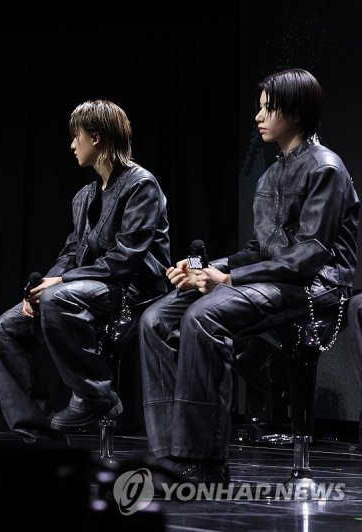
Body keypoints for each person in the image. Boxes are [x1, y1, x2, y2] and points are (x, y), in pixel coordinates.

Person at [139, 68, 358, 483]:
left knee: (204, 315)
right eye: (259, 108)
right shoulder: (271, 174)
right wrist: (208, 268)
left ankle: (204, 461)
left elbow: (309, 255)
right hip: (275, 279)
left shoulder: (325, 168)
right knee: (156, 319)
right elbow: (259, 251)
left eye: (268, 108)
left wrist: (228, 281)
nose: (258, 116)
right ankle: (169, 454)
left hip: (316, 286)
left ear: (296, 112)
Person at [0, 100, 171, 443]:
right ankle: (38, 435)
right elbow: (72, 252)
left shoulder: (141, 185)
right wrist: (39, 288)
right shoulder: (85, 196)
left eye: (77, 136)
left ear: (96, 138)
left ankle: (95, 394)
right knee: (4, 329)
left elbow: (126, 258)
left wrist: (61, 282)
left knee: (58, 298)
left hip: (133, 288)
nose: (73, 144)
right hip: (87, 288)